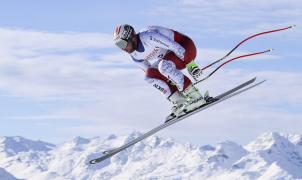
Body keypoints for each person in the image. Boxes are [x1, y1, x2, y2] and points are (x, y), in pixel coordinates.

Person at [113, 24, 210, 120]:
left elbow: (175, 46)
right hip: (172, 58)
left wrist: (190, 64)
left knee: (163, 66)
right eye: (119, 46)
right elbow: (152, 73)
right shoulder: (135, 56)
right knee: (149, 76)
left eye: (122, 43)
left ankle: (195, 97)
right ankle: (180, 101)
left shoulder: (148, 36)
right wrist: (170, 81)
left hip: (185, 48)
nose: (123, 49)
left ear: (131, 37)